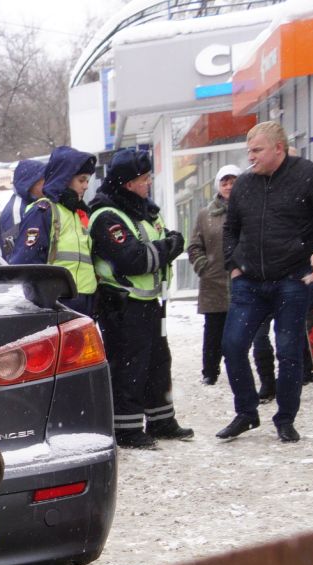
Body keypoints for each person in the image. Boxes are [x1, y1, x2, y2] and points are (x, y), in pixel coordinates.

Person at [216, 121, 313, 445]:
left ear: (278, 148)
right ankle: (247, 412)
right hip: (249, 281)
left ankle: (285, 419)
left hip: (293, 278)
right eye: (248, 151)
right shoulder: (244, 185)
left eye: (257, 150)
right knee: (232, 345)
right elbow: (231, 228)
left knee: (289, 352)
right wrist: (233, 264)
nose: (251, 157)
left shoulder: (311, 175)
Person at [89, 148, 191, 449]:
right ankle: (127, 428)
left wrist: (168, 244)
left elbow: (165, 237)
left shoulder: (144, 208)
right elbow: (134, 260)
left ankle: (161, 420)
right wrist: (170, 247)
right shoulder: (107, 215)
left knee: (159, 362)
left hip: (150, 303)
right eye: (144, 178)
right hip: (123, 305)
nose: (149, 183)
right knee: (130, 367)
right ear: (128, 182)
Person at [186, 165, 275, 393]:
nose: (228, 186)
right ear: (218, 186)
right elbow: (195, 246)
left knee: (253, 332)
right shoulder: (206, 215)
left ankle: (259, 377)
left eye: (233, 181)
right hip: (214, 282)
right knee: (214, 331)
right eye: (224, 182)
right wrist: (204, 267)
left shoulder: (252, 208)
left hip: (246, 281)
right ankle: (210, 372)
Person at [8, 146, 98, 315]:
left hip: (84, 304)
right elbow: (26, 261)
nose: (86, 186)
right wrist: (48, 300)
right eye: (81, 180)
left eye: (87, 181)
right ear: (65, 179)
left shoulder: (77, 214)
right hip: (60, 305)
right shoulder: (44, 211)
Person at [0, 157, 46, 259]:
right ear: (30, 184)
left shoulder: (34, 203)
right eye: (43, 183)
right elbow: (15, 253)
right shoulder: (16, 211)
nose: (46, 187)